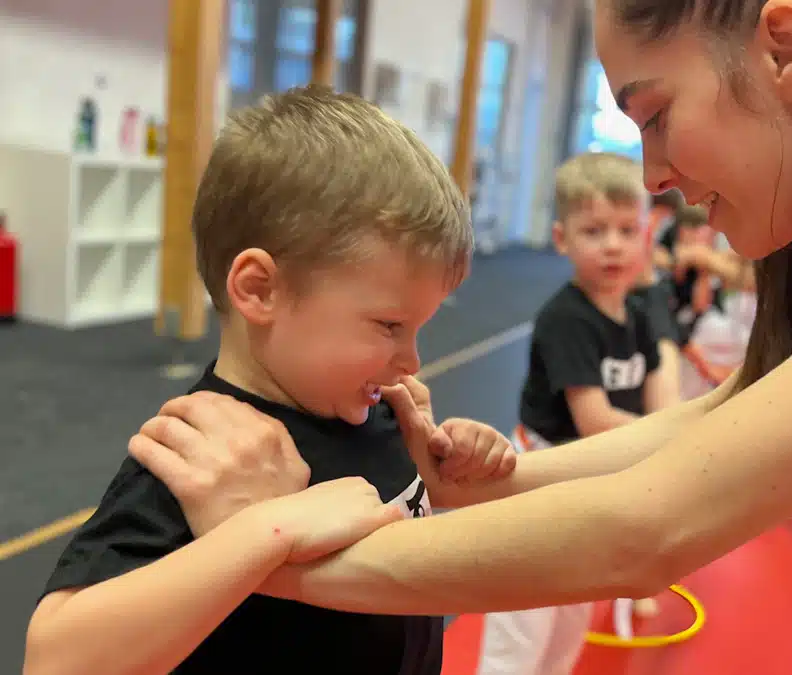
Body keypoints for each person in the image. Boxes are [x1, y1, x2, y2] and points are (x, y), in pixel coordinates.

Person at [128, 1, 792, 671]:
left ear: (782, 45)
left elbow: (659, 526)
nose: (650, 179)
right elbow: (731, 418)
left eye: (652, 113)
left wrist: (256, 554)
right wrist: (501, 487)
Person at [23, 85, 516, 675]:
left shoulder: (376, 410)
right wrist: (266, 533)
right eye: (389, 325)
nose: (412, 360)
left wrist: (446, 476)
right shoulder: (205, 454)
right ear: (260, 289)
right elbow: (54, 658)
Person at [480, 151, 679, 675]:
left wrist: (675, 432)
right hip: (539, 483)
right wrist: (675, 440)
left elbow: (663, 396)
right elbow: (595, 421)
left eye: (624, 230)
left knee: (569, 623)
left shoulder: (636, 313)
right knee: (521, 626)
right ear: (563, 240)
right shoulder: (567, 319)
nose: (613, 245)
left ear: (644, 237)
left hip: (590, 481)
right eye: (593, 231)